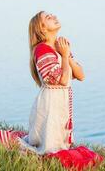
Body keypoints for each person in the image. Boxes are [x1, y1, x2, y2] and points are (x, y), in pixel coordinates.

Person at [17, 10, 85, 154]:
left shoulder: (59, 46)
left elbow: (81, 75)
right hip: (50, 105)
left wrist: (66, 54)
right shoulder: (42, 49)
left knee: (61, 146)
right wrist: (65, 56)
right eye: (48, 17)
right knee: (50, 149)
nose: (54, 16)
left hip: (61, 102)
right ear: (42, 28)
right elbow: (63, 79)